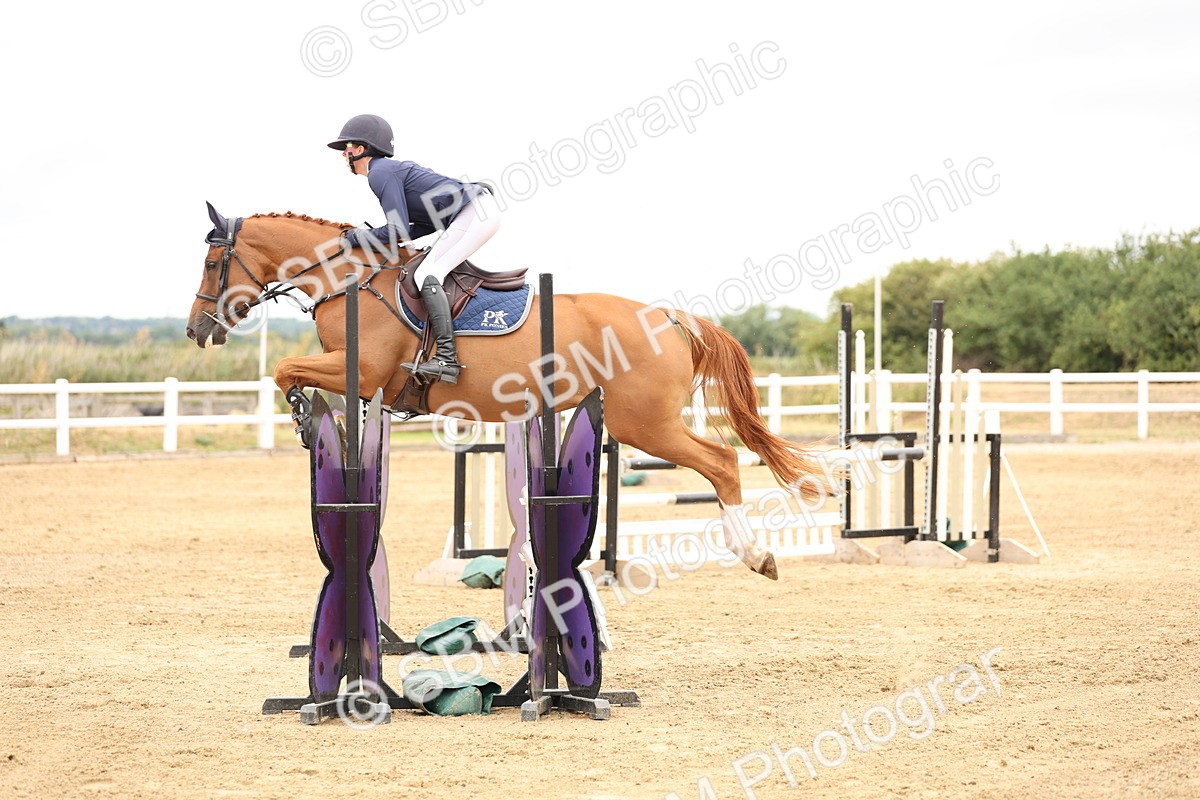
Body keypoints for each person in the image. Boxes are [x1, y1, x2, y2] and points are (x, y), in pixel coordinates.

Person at [328, 114, 502, 385]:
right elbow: (416, 227)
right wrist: (372, 237)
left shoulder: (380, 173)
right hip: (471, 212)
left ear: (360, 150)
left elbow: (395, 230)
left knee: (426, 274)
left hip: (475, 212)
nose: (343, 156)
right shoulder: (387, 171)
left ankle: (447, 358)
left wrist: (359, 237)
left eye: (346, 149)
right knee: (428, 270)